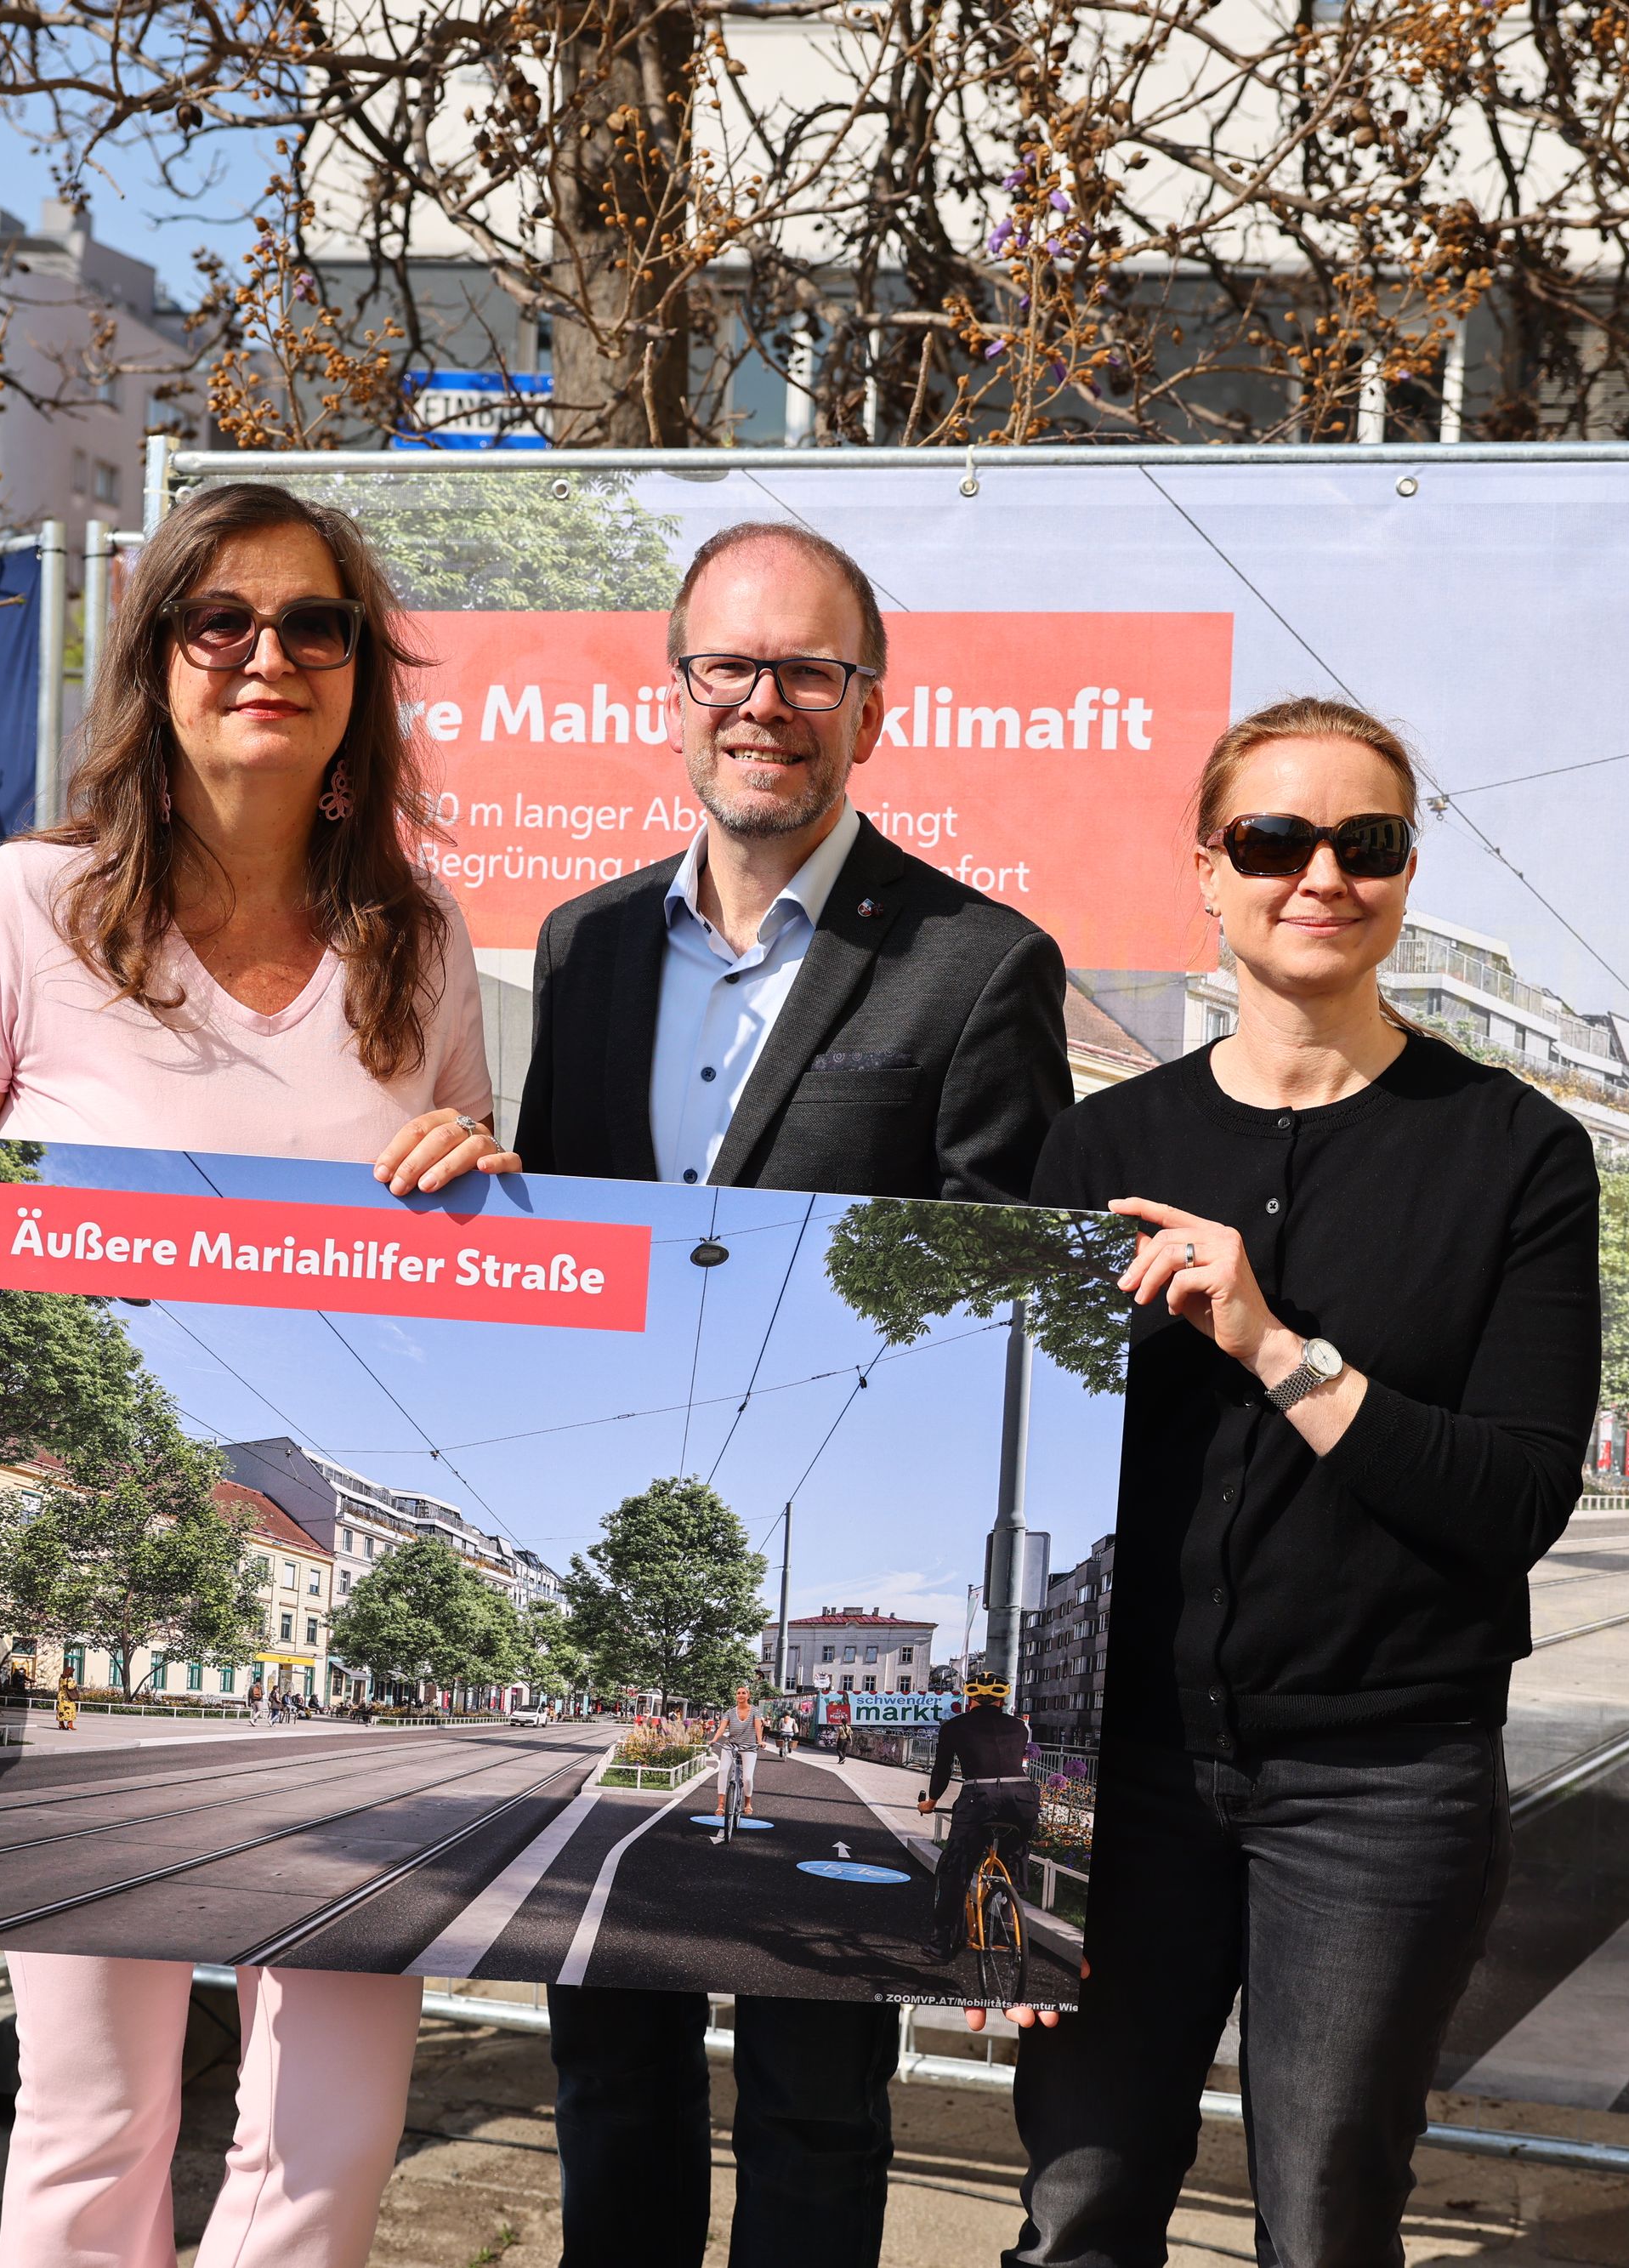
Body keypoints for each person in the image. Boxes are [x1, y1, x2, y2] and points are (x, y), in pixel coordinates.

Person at [0, 479, 494, 2268]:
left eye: (313, 624)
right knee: (92, 2109)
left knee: (332, 2123)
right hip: (54, 1599)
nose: (266, 655)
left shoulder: (418, 951)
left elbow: (466, 1273)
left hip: (341, 1655)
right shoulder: (18, 916)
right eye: (222, 621)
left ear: (361, 674)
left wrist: (472, 1177)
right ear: (155, 660)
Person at [393, 519, 1072, 2268]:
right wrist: (486, 1187)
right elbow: (571, 1249)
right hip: (636, 1526)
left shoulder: (973, 964)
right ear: (673, 689)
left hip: (818, 1507)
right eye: (729, 667)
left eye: (807, 671)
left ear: (868, 703)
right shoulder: (589, 944)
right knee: (607, 2074)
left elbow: (987, 1284)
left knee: (815, 2097)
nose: (763, 703)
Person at [1011, 696, 1602, 2268]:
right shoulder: (1098, 1146)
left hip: (1379, 1783)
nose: (1319, 873)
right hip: (1120, 1783)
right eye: (1274, 839)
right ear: (1208, 870)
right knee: (1075, 2209)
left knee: (1326, 2221)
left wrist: (1277, 1343)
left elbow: (1514, 1499)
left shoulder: (1515, 1150)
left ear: (1408, 875)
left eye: (1368, 841)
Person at [917, 1676, 1040, 1962]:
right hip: (1022, 1798)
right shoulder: (1019, 1727)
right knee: (1015, 1852)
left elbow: (942, 1770)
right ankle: (1007, 1913)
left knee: (955, 1869)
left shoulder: (954, 1727)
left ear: (970, 1699)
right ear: (1002, 1700)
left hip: (979, 1799)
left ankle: (940, 1944)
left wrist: (931, 1802)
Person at [710, 1684, 766, 1826]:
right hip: (731, 1745)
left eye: (743, 1693)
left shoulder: (755, 1711)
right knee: (722, 1771)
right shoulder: (730, 1712)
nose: (740, 1695)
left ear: (748, 1695)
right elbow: (722, 1728)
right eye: (738, 1693)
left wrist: (760, 1742)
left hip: (749, 1747)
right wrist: (714, 1740)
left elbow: (758, 1727)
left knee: (747, 1778)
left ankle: (748, 1803)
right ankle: (721, 1805)